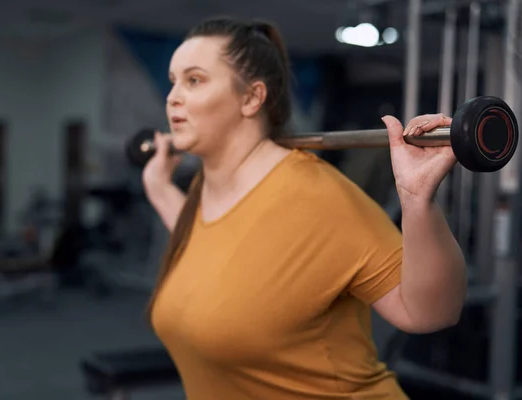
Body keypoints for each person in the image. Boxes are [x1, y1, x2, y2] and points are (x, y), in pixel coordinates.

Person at [141, 15, 467, 400]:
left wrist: (417, 202)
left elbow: (429, 312)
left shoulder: (318, 197)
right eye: (173, 80)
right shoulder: (204, 187)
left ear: (251, 98)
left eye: (193, 80)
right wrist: (159, 187)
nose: (172, 96)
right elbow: (219, 252)